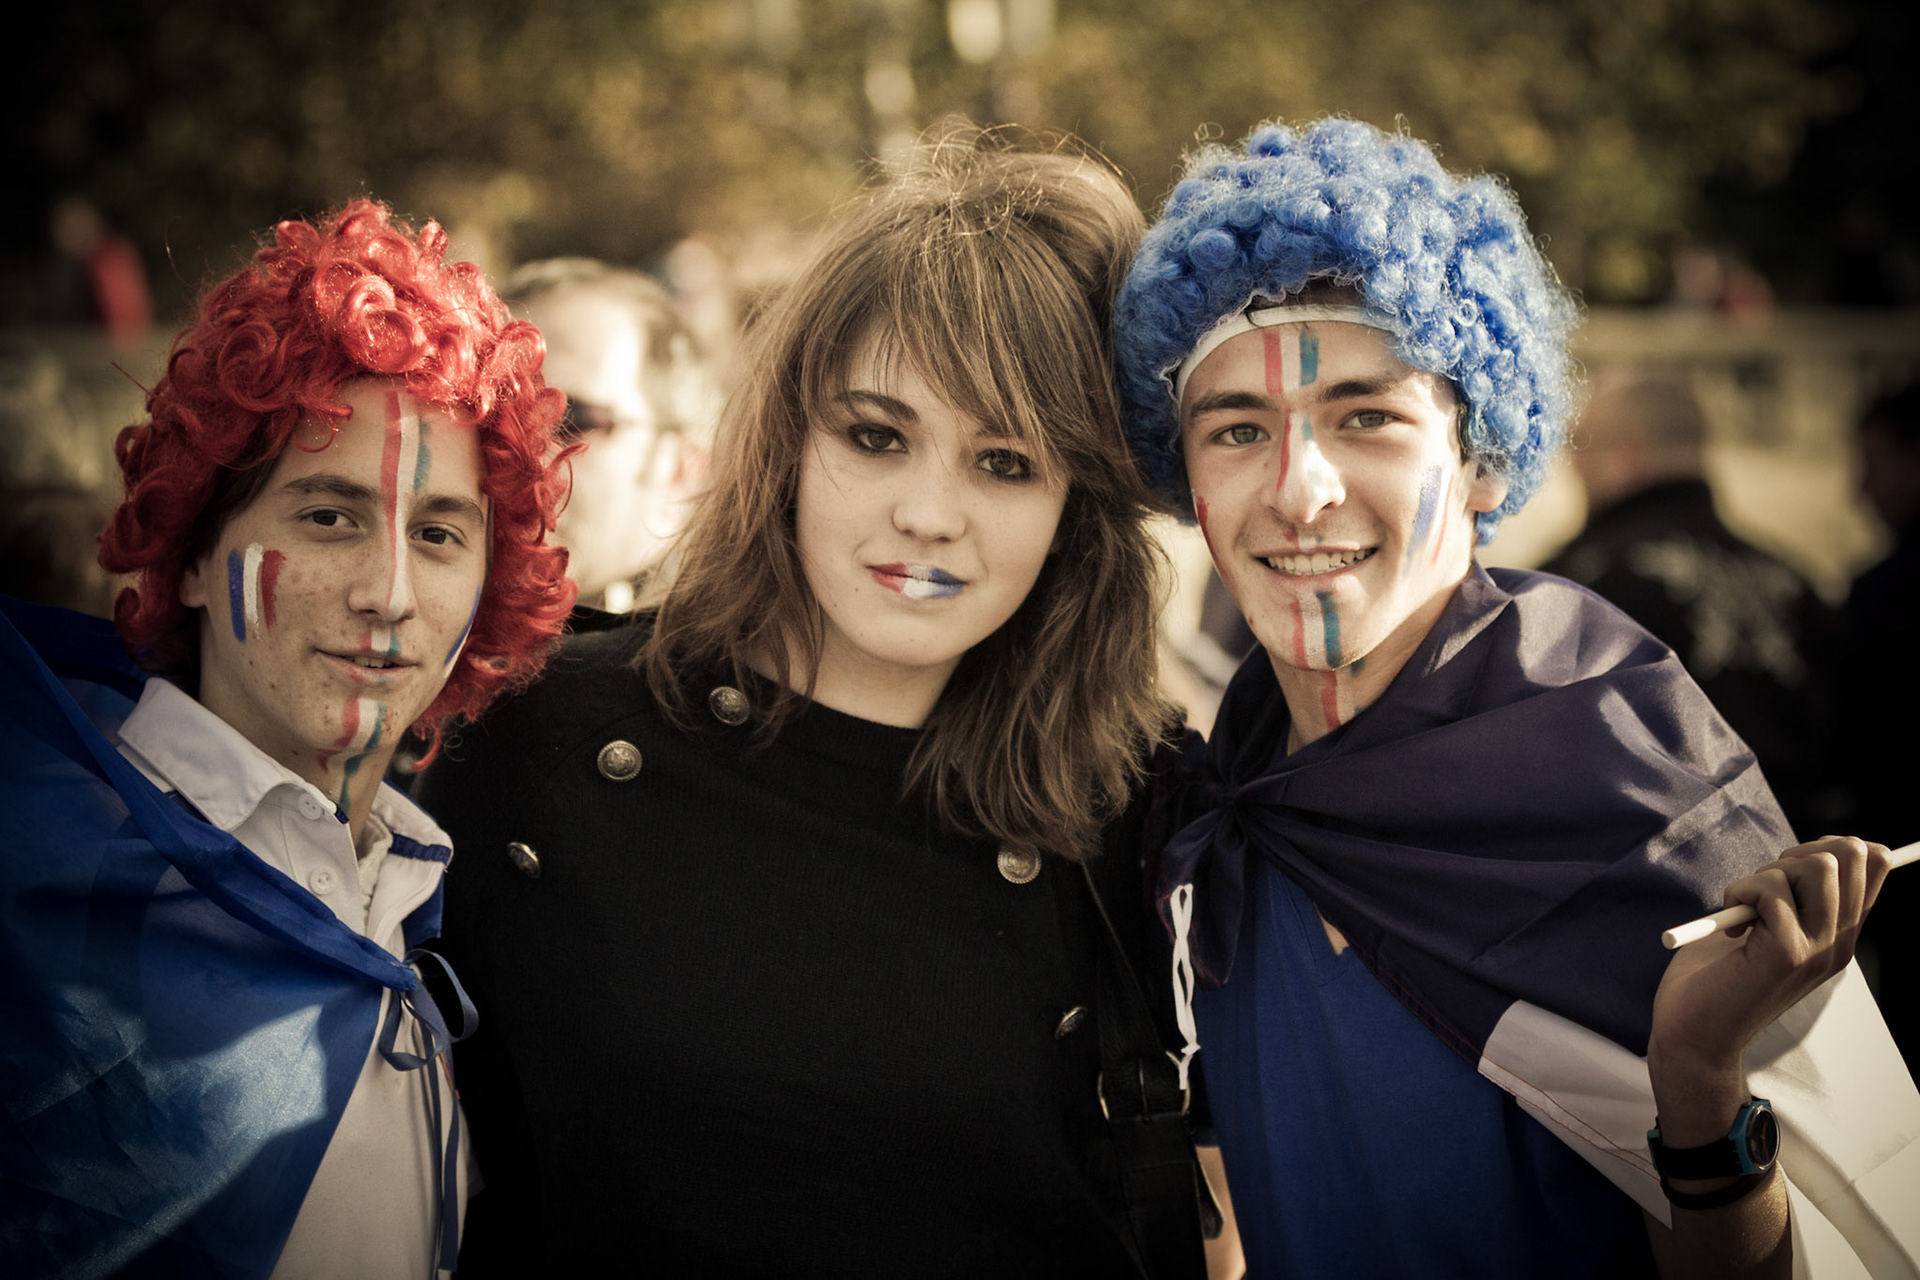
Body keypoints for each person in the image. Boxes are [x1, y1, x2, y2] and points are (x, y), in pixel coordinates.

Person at [1113, 118, 1916, 1277]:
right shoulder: (1215, 805)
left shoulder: (1624, 770)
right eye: (1238, 428)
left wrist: (1698, 1080)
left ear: (1481, 457)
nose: (1299, 490)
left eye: (1367, 416)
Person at [414, 133, 1198, 1277]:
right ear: (784, 436)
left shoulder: (1142, 814)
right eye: (876, 436)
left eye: (1006, 462)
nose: (928, 513)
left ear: (1077, 505)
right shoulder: (538, 737)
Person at [0, 200, 575, 1279]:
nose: (388, 593)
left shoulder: (438, 892)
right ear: (187, 551)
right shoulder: (36, 869)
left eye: (439, 534)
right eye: (328, 516)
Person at [1542, 368, 1842, 839]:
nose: (1572, 467)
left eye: (1580, 446)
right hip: (1816, 861)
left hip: (1661, 867)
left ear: (1628, 451)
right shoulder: (1799, 583)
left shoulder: (1578, 586)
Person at [501, 258, 719, 614]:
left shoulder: (727, 645)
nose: (515, 448)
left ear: (681, 472)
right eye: (493, 413)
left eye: (569, 420)